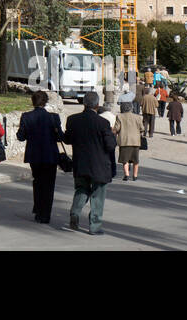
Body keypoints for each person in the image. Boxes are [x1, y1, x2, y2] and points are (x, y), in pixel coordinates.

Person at [65, 91, 116, 236]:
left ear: (84, 103)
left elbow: (67, 139)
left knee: (81, 189)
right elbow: (110, 145)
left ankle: (75, 213)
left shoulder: (73, 120)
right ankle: (94, 225)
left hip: (80, 163)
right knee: (98, 195)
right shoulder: (103, 123)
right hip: (99, 165)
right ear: (97, 105)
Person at [17, 90, 63, 224]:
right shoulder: (53, 117)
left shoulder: (26, 116)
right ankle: (45, 214)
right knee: (48, 185)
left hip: (34, 156)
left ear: (33, 102)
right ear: (45, 102)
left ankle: (38, 211)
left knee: (37, 182)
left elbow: (21, 137)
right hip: (50, 155)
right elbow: (61, 137)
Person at [114, 102, 143, 181]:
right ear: (132, 108)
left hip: (124, 140)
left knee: (125, 159)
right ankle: (135, 175)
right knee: (135, 159)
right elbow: (142, 128)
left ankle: (126, 174)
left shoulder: (119, 116)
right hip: (135, 141)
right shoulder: (138, 117)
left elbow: (117, 128)